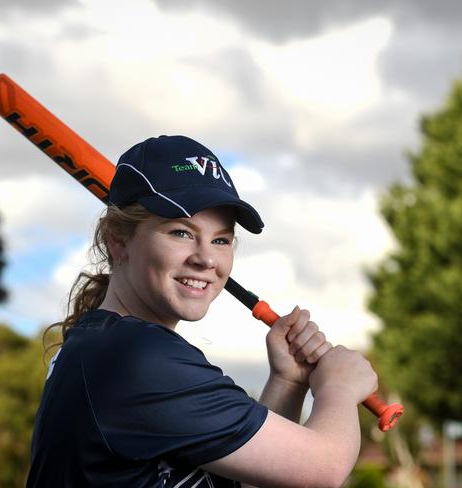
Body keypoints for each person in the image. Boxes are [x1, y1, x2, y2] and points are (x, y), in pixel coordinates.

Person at [25, 135, 378, 487]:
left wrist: (288, 381)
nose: (206, 258)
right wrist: (339, 389)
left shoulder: (111, 347)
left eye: (221, 240)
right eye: (181, 232)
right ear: (118, 239)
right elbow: (322, 469)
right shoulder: (134, 357)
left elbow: (260, 478)